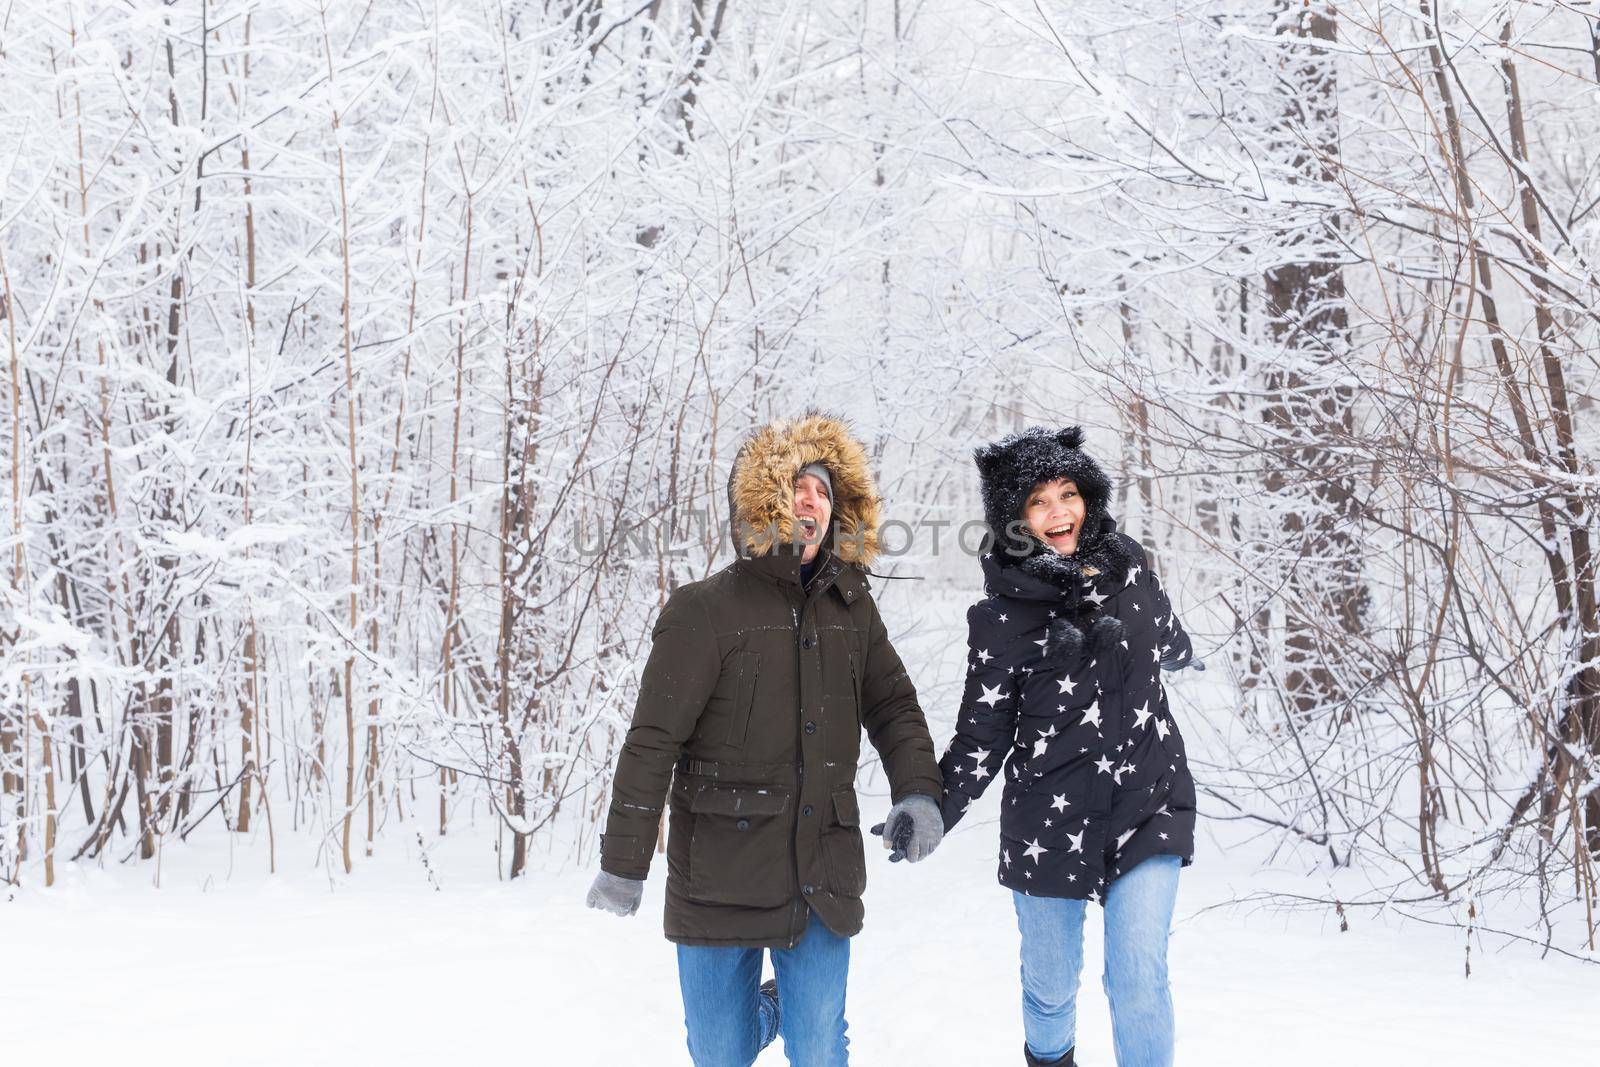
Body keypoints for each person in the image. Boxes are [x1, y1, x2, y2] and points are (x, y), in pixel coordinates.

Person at [586, 412, 944, 1067]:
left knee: (817, 1047)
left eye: (825, 493)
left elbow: (893, 703)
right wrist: (623, 862)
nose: (812, 501)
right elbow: (652, 741)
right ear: (767, 501)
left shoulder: (853, 610)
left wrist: (918, 793)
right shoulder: (703, 611)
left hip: (820, 869)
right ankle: (771, 1006)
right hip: (718, 873)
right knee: (722, 1052)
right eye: (798, 487)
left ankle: (801, 1012)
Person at [936, 426, 1203, 1067]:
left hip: (1147, 801)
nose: (1060, 513)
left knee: (1138, 980)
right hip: (1050, 820)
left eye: (1070, 493)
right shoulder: (1001, 619)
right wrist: (933, 808)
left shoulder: (1130, 565)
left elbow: (1167, 633)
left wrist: (1187, 656)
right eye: (1039, 502)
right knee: (1051, 994)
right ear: (1015, 519)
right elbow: (983, 732)